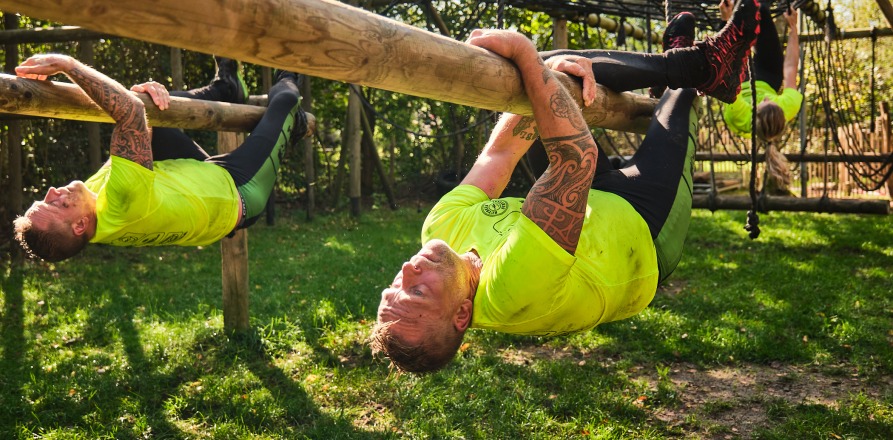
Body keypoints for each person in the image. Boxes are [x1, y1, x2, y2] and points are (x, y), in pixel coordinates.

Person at [371, 0, 761, 373]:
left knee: (548, 71)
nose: (407, 269)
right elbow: (576, 160)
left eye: (393, 286)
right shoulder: (511, 292)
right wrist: (525, 53)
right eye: (417, 292)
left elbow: (499, 156)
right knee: (678, 100)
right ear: (461, 314)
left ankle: (692, 62)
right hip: (644, 231)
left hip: (588, 195)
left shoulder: (437, 233)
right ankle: (690, 71)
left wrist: (546, 68)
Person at [13, 54, 308, 262]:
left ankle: (226, 88)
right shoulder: (124, 201)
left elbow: (138, 130)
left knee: (147, 106)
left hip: (194, 179)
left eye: (44, 197)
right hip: (239, 193)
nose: (52, 191)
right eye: (54, 204)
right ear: (79, 225)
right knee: (284, 99)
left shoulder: (87, 211)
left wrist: (143, 97)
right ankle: (294, 53)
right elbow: (130, 114)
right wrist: (68, 65)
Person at [721, 0, 802, 142]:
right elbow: (790, 67)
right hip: (769, 78)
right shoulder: (787, 108)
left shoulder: (739, 116)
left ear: (754, 113)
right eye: (771, 101)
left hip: (738, 82)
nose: (766, 98)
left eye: (763, 102)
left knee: (736, 17)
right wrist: (793, 27)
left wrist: (727, 21)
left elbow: (726, 67)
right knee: (761, 11)